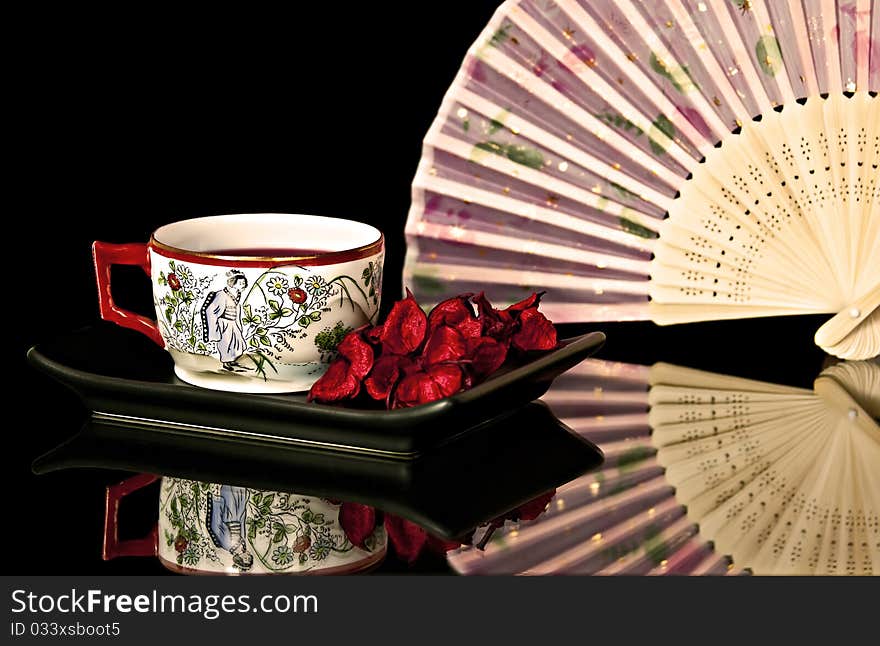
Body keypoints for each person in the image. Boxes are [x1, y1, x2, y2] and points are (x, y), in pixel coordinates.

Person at [201, 270, 249, 371]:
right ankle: (226, 363)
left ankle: (232, 360)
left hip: (233, 323)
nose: (243, 285)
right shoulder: (222, 295)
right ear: (233, 283)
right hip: (224, 323)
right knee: (226, 343)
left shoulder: (237, 295)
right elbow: (211, 310)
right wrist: (215, 326)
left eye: (244, 283)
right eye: (240, 283)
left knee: (236, 342)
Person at [206, 485, 254, 571]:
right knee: (240, 491)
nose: (249, 557)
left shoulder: (227, 545)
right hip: (239, 514)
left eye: (246, 559)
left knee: (231, 491)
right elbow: (242, 526)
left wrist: (217, 501)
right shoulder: (242, 545)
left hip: (229, 515)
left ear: (239, 558)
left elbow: (216, 527)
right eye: (249, 559)